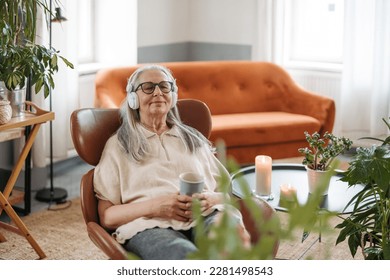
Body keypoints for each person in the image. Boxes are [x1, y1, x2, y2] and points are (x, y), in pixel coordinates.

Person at [93, 64, 249, 260]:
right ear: (133, 98)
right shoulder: (118, 146)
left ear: (172, 95)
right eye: (148, 87)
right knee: (183, 256)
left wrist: (210, 199)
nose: (158, 92)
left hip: (208, 214)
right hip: (148, 224)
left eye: (164, 86)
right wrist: (156, 206)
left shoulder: (193, 139)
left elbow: (227, 193)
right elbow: (107, 216)